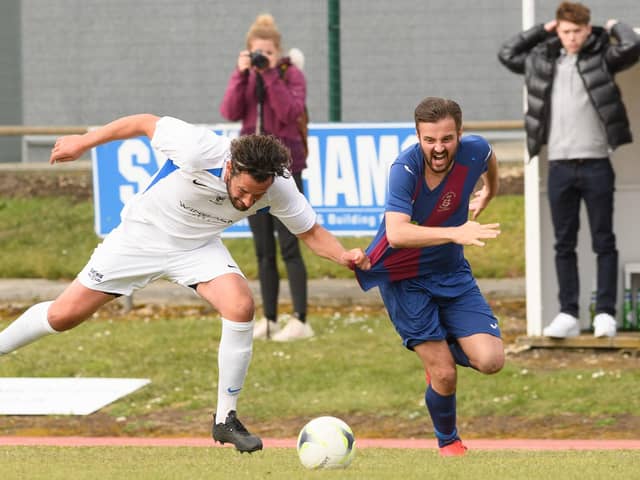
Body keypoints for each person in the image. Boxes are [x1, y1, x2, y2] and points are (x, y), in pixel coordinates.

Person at [0, 113, 370, 453]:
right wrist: (85, 140)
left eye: (256, 196)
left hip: (197, 247)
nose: (246, 202)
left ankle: (225, 419)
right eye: (242, 191)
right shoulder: (198, 148)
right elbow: (144, 123)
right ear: (229, 166)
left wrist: (343, 256)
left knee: (240, 306)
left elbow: (311, 232)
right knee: (63, 316)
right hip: (141, 237)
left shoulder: (279, 186)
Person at [355, 97, 504, 456]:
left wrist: (490, 191)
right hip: (403, 275)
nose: (438, 149)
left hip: (451, 271)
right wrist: (456, 233)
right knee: (445, 374)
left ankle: (445, 345)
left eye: (447, 139)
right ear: (418, 136)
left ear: (460, 134)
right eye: (430, 140)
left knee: (490, 361)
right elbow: (397, 234)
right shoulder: (404, 169)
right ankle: (449, 442)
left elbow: (490, 160)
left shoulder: (475, 150)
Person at [498, 2, 640, 338]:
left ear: (587, 30)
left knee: (604, 240)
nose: (572, 37)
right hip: (559, 166)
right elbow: (507, 53)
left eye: (578, 31)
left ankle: (605, 313)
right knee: (564, 243)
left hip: (596, 165)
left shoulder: (601, 59)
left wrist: (616, 24)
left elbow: (632, 46)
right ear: (558, 31)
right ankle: (568, 313)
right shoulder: (541, 61)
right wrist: (541, 31)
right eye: (566, 31)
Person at [220, 14, 311, 342]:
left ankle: (300, 319)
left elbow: (289, 113)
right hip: (250, 173)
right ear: (247, 52)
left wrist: (271, 74)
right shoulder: (247, 76)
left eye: (268, 53)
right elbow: (230, 111)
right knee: (262, 250)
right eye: (257, 53)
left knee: (290, 245)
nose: (262, 58)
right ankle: (270, 319)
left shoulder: (290, 75)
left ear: (278, 52)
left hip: (286, 170)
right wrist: (240, 75)